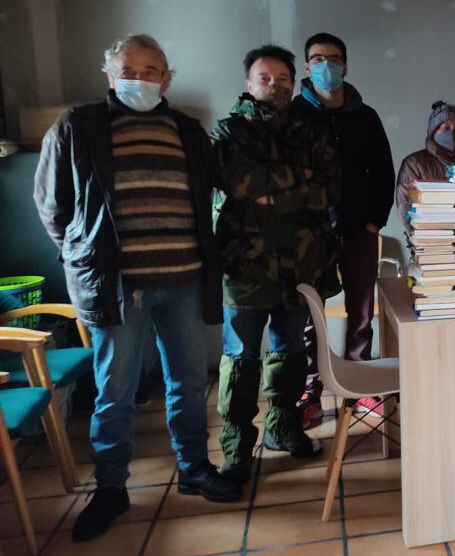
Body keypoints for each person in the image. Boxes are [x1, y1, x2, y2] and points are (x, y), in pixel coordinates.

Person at [34, 33, 240, 543]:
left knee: (189, 381)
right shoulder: (77, 127)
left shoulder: (189, 132)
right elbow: (52, 206)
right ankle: (110, 488)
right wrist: (82, 254)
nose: (140, 79)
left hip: (185, 281)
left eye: (152, 71)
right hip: (117, 288)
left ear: (167, 78)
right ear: (109, 73)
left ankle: (193, 467)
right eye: (130, 69)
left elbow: (220, 188)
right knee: (115, 391)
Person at [213, 44, 341, 485]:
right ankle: (236, 448)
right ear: (248, 84)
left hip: (300, 265)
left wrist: (272, 193)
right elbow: (239, 182)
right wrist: (297, 183)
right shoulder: (228, 132)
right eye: (265, 78)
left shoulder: (311, 130)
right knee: (241, 358)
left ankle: (283, 428)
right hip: (246, 267)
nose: (274, 85)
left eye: (282, 79)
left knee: (290, 352)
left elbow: (328, 190)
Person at [290, 32, 395, 425]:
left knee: (361, 312)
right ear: (306, 66)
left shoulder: (365, 116)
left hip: (358, 230)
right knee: (307, 317)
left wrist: (374, 222)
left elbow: (385, 170)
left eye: (333, 59)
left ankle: (360, 382)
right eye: (317, 59)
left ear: (346, 66)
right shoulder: (295, 114)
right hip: (309, 235)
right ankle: (309, 393)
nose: (325, 66)